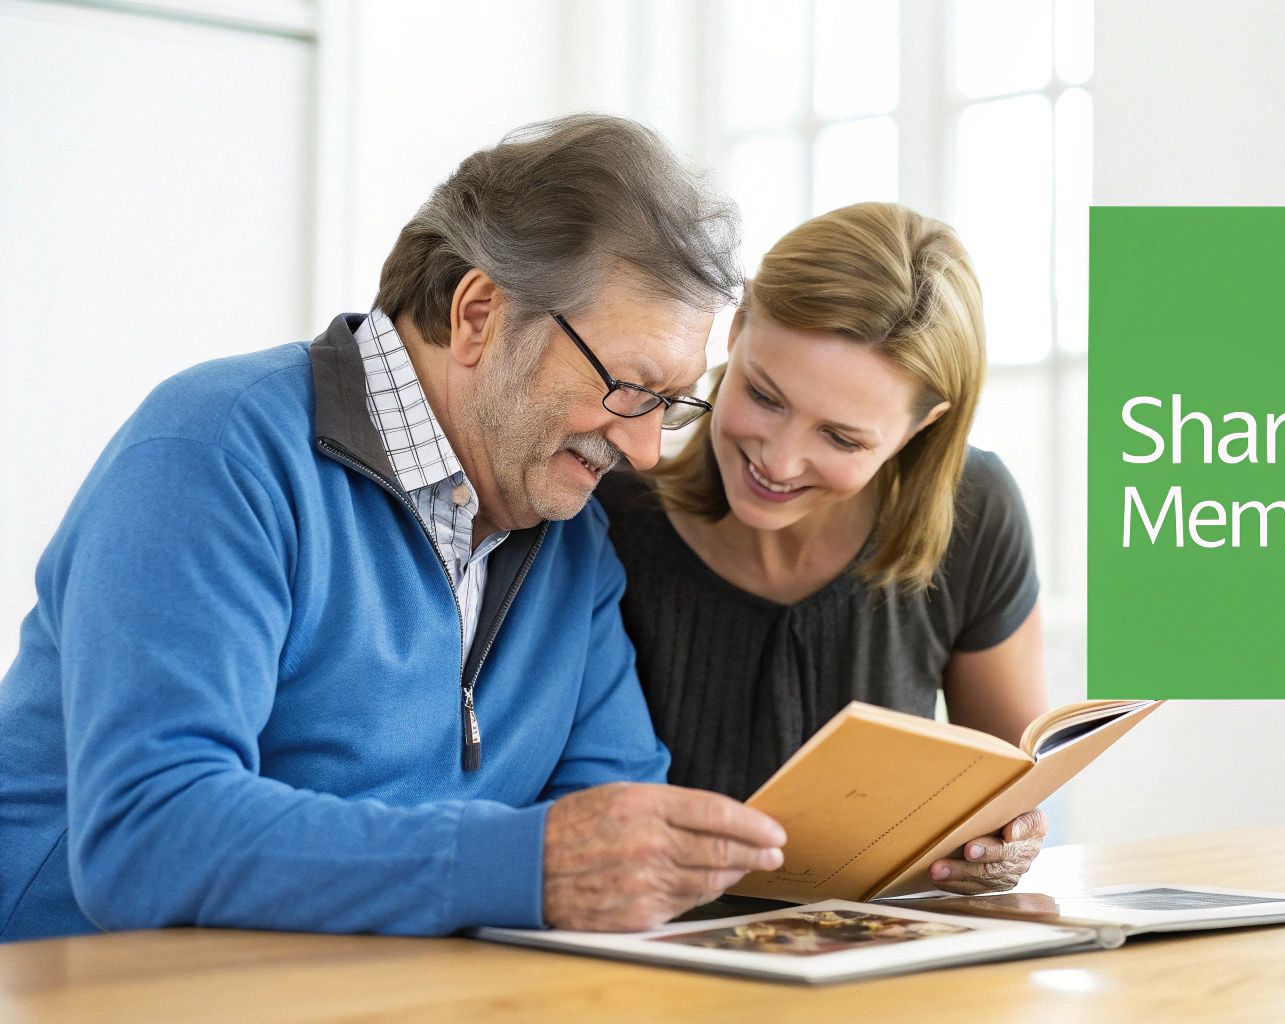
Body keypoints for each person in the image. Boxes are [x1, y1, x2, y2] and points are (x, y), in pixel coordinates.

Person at [0, 115, 787, 943]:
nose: (643, 450)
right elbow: (145, 837)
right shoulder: (215, 447)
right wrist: (521, 866)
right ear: (480, 314)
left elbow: (613, 832)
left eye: (670, 404)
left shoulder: (569, 534)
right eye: (629, 387)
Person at [596, 202, 1048, 895]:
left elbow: (1011, 786)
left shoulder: (975, 510)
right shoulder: (609, 518)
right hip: (648, 959)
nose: (778, 460)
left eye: (840, 438)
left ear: (920, 430)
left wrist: (1004, 847)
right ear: (738, 328)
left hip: (877, 956)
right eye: (765, 396)